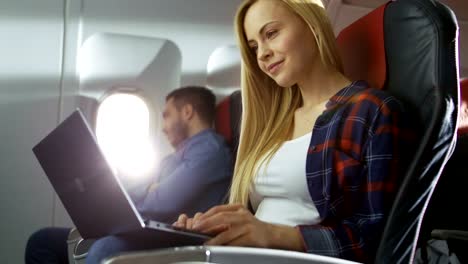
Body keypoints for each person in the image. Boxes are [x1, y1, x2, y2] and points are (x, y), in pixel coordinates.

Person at [174, 0, 417, 263]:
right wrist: (210, 226)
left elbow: (376, 239)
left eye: (271, 34)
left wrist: (273, 235)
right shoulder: (273, 123)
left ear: (312, 24)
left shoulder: (372, 112)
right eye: (254, 47)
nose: (262, 54)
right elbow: (257, 219)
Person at [25, 86, 233, 264]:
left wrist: (149, 191)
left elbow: (161, 202)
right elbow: (141, 191)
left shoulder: (210, 151)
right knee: (42, 241)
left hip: (180, 237)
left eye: (167, 115)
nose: (162, 128)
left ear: (187, 112)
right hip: (148, 230)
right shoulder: (174, 157)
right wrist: (142, 190)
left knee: (104, 250)